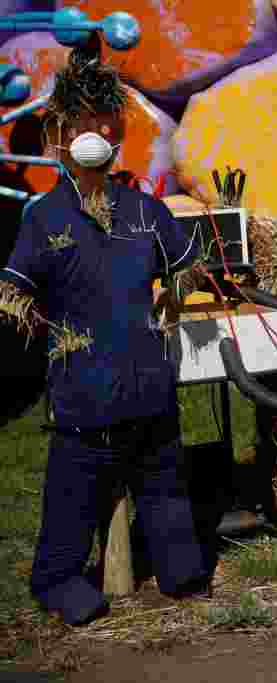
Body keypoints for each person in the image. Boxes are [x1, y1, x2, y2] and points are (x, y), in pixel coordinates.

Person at [0, 46, 210, 625]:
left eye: (102, 123)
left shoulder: (144, 209)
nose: (93, 133)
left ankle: (180, 566)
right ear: (57, 138)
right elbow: (13, 290)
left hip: (150, 391)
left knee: (165, 490)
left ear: (115, 133)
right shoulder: (43, 218)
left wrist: (180, 286)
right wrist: (27, 314)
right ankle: (58, 579)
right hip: (81, 399)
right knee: (70, 504)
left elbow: (189, 264)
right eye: (80, 124)